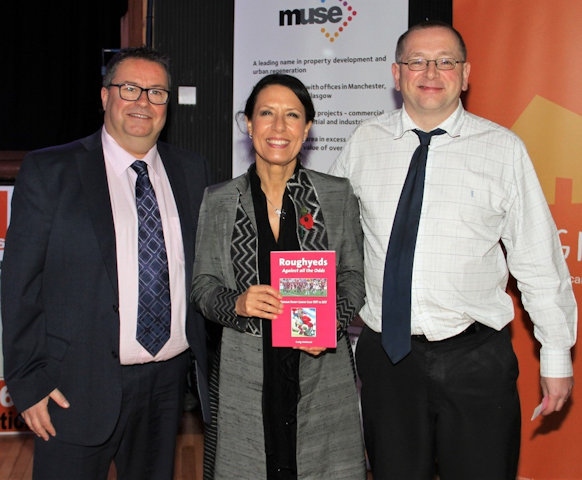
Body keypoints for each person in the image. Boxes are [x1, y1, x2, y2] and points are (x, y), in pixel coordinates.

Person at [329, 20, 577, 480]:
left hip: (476, 360)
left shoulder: (503, 150)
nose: (431, 71)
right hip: (388, 359)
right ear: (396, 73)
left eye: (446, 61)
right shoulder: (364, 143)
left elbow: (539, 263)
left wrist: (557, 357)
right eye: (417, 61)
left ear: (465, 75)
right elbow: (328, 240)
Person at [1, 46, 211, 480]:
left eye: (156, 93)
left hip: (166, 386)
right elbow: (19, 285)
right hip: (72, 386)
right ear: (104, 96)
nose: (143, 103)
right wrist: (27, 382)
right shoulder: (50, 171)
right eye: (130, 88)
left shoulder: (192, 171)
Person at [191, 73, 367, 480]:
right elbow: (202, 287)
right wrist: (236, 303)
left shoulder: (336, 194)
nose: (279, 127)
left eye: (292, 115)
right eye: (266, 113)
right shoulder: (219, 200)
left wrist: (329, 323)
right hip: (246, 371)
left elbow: (354, 276)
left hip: (320, 368)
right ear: (248, 123)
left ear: (307, 128)